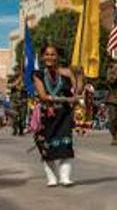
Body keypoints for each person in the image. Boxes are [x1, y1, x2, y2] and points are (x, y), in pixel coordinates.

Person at [32, 44, 81, 188]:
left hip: (64, 115)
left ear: (58, 57)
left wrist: (79, 75)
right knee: (47, 149)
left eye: (53, 54)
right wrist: (65, 99)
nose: (49, 57)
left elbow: (77, 91)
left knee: (65, 146)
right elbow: (43, 96)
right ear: (42, 57)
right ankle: (52, 177)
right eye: (47, 54)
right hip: (46, 115)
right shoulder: (37, 74)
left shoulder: (67, 72)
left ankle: (65, 177)